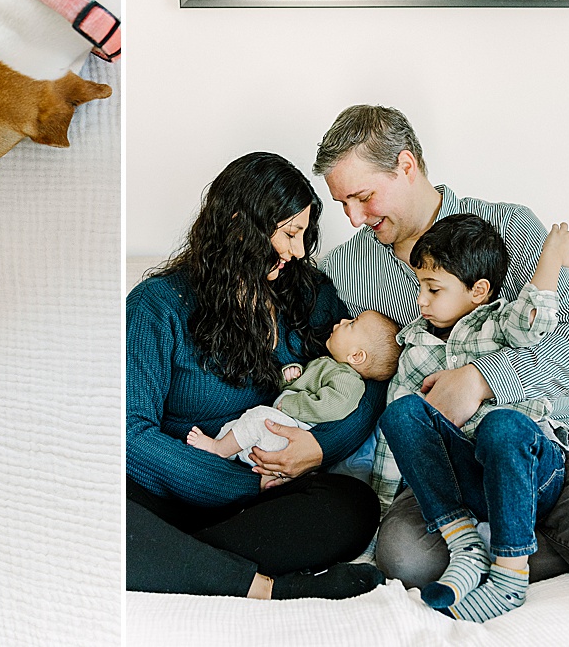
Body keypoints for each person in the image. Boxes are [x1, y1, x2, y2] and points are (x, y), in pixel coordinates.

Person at [310, 104, 569, 645]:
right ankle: (525, 538)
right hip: (448, 460)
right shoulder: (346, 270)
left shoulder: (507, 227)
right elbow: (347, 378)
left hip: (555, 431)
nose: (355, 217)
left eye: (363, 197)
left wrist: (485, 377)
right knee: (404, 558)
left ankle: (550, 537)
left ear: (406, 165)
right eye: (343, 204)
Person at [127, 152, 385, 601]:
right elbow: (129, 433)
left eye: (304, 234)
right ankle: (265, 586)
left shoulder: (308, 293)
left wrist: (320, 447)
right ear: (237, 225)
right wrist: (238, 483)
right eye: (289, 233)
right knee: (99, 511)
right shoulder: (157, 305)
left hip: (264, 501)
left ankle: (178, 563)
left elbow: (366, 380)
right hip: (173, 494)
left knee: (353, 506)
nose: (298, 251)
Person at [374, 212, 569, 622]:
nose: (420, 301)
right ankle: (467, 548)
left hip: (528, 473)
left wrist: (550, 261)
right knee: (401, 413)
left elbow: (536, 320)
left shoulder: (500, 323)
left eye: (433, 289)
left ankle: (510, 577)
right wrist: (382, 512)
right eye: (419, 286)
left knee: (501, 425)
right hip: (468, 484)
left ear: (478, 291)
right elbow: (393, 447)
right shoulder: (418, 348)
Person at [186, 309, 399, 465]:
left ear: (356, 356)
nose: (343, 320)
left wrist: (290, 403)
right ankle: (220, 454)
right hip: (284, 425)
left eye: (352, 323)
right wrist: (292, 375)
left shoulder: (349, 380)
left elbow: (332, 406)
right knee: (236, 426)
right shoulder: (329, 365)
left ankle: (218, 449)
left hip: (295, 431)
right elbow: (301, 385)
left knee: (257, 418)